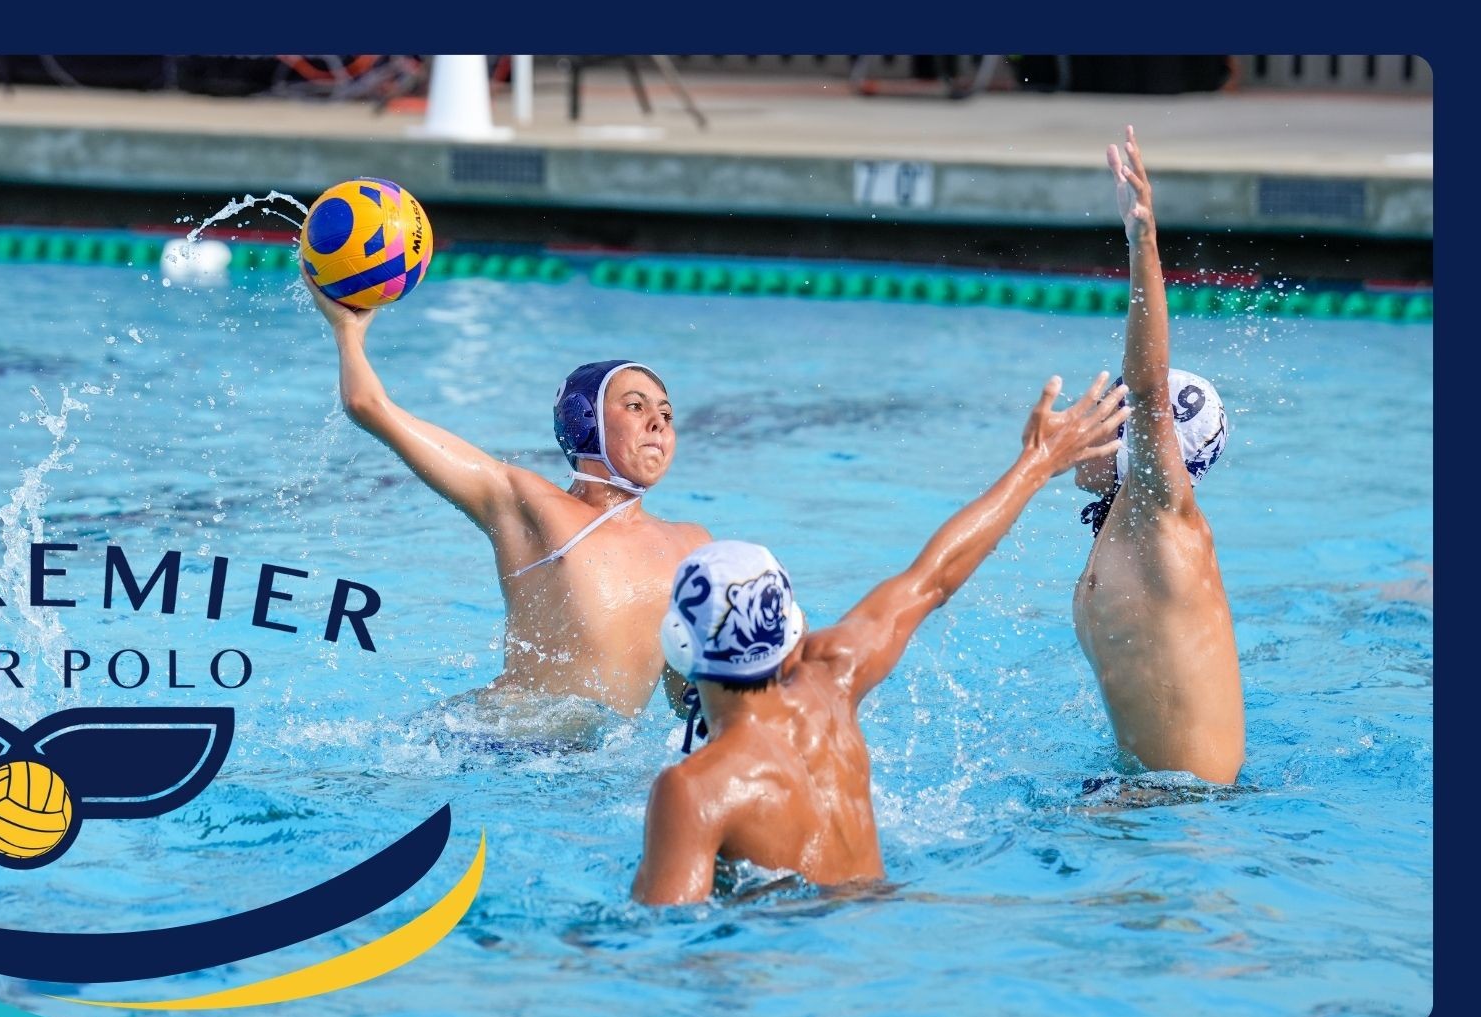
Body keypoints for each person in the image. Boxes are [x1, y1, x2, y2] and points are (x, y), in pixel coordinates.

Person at [632, 376, 1129, 904]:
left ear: (679, 647)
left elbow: (663, 934)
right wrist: (1036, 463)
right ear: (794, 633)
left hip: (795, 945)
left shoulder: (694, 789)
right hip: (884, 906)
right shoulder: (832, 678)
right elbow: (934, 578)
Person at [304, 271, 712, 727]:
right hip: (496, 744)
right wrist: (348, 331)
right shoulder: (529, 506)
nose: (658, 422)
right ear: (585, 421)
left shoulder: (692, 547)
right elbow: (368, 406)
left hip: (593, 760)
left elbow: (689, 704)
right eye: (636, 406)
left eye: (666, 413)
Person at [1071, 127, 1244, 785]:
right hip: (1153, 799)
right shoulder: (1137, 525)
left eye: (1107, 410)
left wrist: (1142, 243)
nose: (1088, 418)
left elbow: (1148, 387)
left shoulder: (1165, 518)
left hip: (1185, 813)